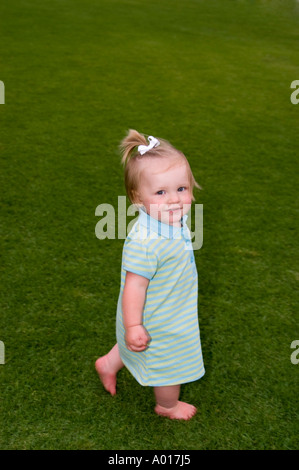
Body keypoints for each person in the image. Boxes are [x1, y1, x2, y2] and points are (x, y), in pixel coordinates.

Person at [95, 130, 205, 420]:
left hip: (165, 305)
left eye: (181, 188)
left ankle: (108, 363)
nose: (173, 200)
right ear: (137, 197)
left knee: (136, 346)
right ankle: (167, 406)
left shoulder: (169, 221)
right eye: (160, 192)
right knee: (171, 363)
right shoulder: (146, 241)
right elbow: (134, 285)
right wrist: (134, 325)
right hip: (159, 317)